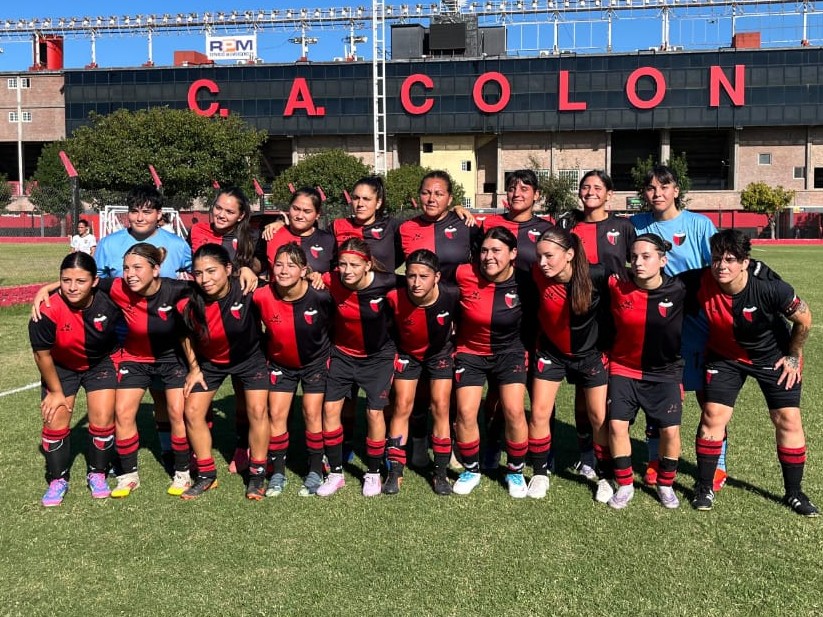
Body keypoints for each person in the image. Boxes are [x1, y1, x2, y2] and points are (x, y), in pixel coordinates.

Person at [32, 243, 192, 497]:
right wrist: (48, 288)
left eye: (137, 267)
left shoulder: (174, 289)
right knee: (113, 413)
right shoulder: (115, 288)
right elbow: (81, 282)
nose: (130, 274)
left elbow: (210, 286)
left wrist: (246, 274)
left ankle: (179, 472)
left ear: (156, 269)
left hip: (155, 361)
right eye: (126, 268)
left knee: (172, 411)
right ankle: (117, 476)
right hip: (117, 362)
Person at [692, 229, 818, 516]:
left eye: (730, 259)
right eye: (716, 259)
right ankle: (704, 486)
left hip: (772, 356)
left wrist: (793, 356)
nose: (721, 266)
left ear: (745, 263)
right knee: (713, 415)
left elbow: (804, 318)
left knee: (787, 418)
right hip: (724, 357)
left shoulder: (770, 287)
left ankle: (794, 492)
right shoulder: (701, 280)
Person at [630, 165, 724, 490]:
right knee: (659, 392)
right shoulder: (636, 225)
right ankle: (656, 459)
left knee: (709, 396)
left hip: (698, 322)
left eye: (664, 187)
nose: (657, 193)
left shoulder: (699, 225)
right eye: (651, 188)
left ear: (676, 190)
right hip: (656, 322)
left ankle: (718, 463)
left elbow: (718, 269)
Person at [93, 185, 192, 474]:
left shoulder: (176, 245)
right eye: (134, 211)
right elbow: (93, 283)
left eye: (147, 212)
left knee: (165, 401)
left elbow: (198, 274)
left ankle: (169, 451)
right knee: (118, 405)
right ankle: (117, 459)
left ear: (159, 214)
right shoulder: (109, 244)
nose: (139, 217)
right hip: (122, 341)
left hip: (167, 342)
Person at [177, 244, 271, 500]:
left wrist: (249, 270)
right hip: (211, 364)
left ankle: (257, 475)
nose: (204, 279)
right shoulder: (188, 300)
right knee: (192, 411)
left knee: (257, 411)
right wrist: (194, 368)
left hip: (251, 360)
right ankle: (206, 475)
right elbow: (185, 334)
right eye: (198, 273)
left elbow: (282, 291)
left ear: (228, 269)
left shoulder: (247, 288)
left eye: (211, 271)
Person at [477, 169, 554, 473]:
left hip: (539, 322)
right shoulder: (489, 225)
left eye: (524, 188)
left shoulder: (547, 228)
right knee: (498, 392)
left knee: (539, 391)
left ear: (536, 195)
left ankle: (543, 453)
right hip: (500, 322)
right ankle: (493, 446)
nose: (517, 193)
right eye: (511, 188)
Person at [29, 252, 120, 506]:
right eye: (66, 280)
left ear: (94, 281)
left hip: (99, 363)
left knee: (103, 418)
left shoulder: (109, 298)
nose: (72, 287)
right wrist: (56, 392)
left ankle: (97, 473)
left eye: (80, 281)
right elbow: (41, 355)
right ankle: (58, 479)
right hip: (61, 368)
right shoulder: (46, 310)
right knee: (55, 420)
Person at [605, 233, 687, 509]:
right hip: (623, 368)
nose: (638, 262)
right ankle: (625, 484)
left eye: (646, 257)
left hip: (665, 373)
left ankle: (666, 484)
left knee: (670, 431)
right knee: (617, 426)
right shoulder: (617, 284)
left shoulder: (680, 289)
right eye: (634, 257)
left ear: (663, 261)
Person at [563, 169, 635, 480]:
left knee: (613, 388)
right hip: (579, 317)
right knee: (584, 389)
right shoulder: (568, 225)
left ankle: (613, 448)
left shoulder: (624, 226)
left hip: (616, 317)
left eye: (597, 187)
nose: (590, 192)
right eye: (585, 186)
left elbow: (637, 265)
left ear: (609, 194)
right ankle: (587, 456)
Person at [529, 227, 611, 500]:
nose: (543, 263)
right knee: (539, 413)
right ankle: (540, 473)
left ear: (569, 254)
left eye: (549, 256)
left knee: (597, 416)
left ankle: (603, 475)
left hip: (590, 356)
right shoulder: (537, 274)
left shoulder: (598, 275)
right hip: (551, 354)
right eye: (539, 256)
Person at [452, 227, 533, 498]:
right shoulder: (464, 273)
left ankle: (515, 471)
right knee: (466, 412)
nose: (489, 257)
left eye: (496, 250)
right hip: (470, 352)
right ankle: (471, 470)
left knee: (514, 411)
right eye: (485, 250)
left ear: (513, 253)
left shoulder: (525, 280)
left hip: (510, 353)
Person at [316, 238, 399, 497]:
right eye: (342, 264)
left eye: (354, 265)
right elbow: (308, 275)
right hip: (342, 355)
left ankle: (373, 473)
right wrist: (312, 275)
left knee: (374, 413)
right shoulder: (331, 280)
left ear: (367, 265)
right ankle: (336, 474)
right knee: (330, 409)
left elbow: (418, 289)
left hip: (378, 358)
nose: (347, 270)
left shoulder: (388, 282)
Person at [189, 186, 263, 475]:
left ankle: (243, 447)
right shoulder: (196, 232)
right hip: (205, 320)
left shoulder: (249, 238)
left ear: (241, 215)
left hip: (240, 321)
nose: (221, 214)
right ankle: (198, 448)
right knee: (198, 396)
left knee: (245, 397)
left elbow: (261, 264)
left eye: (229, 211)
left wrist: (250, 267)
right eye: (218, 207)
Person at [253, 242, 334, 497]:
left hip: (316, 363)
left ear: (304, 271)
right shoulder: (261, 296)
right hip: (281, 365)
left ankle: (315, 469)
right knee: (276, 414)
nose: (284, 270)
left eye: (291, 265)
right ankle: (278, 472)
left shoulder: (321, 295)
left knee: (312, 412)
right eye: (279, 264)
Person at [385, 249, 460, 495]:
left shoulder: (452, 295)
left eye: (423, 276)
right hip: (408, 354)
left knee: (441, 406)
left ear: (436, 277)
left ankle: (440, 474)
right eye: (411, 276)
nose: (416, 283)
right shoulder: (394, 297)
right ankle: (394, 473)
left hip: (440, 354)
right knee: (402, 405)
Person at [397, 170, 480, 284]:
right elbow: (388, 268)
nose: (431, 199)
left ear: (449, 199)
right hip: (419, 295)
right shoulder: (405, 228)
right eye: (425, 193)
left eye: (439, 194)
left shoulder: (466, 224)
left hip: (459, 294)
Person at [263, 187, 336, 282]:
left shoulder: (329, 241)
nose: (300, 216)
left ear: (317, 214)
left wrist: (322, 279)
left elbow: (338, 273)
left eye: (307, 211)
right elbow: (256, 268)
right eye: (296, 209)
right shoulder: (271, 235)